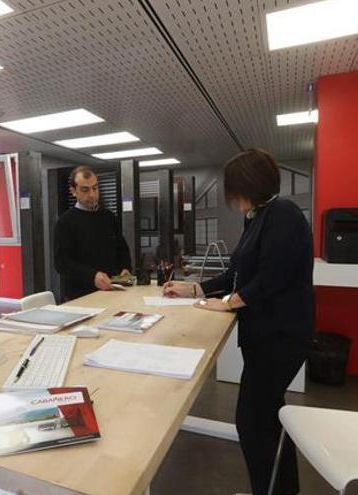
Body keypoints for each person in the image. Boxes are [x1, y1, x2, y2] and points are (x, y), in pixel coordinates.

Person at [163, 149, 314, 495]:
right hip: (264, 336)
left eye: (235, 191)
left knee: (253, 421)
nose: (233, 199)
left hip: (281, 336)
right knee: (264, 418)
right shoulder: (257, 216)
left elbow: (272, 277)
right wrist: (197, 288)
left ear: (250, 184)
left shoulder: (283, 214)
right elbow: (238, 271)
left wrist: (229, 303)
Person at [54, 166, 132, 301]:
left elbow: (122, 249)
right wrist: (92, 276)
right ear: (73, 191)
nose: (92, 194)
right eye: (85, 190)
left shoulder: (109, 217)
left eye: (95, 188)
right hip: (81, 295)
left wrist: (125, 267)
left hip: (113, 290)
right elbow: (62, 263)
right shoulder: (65, 222)